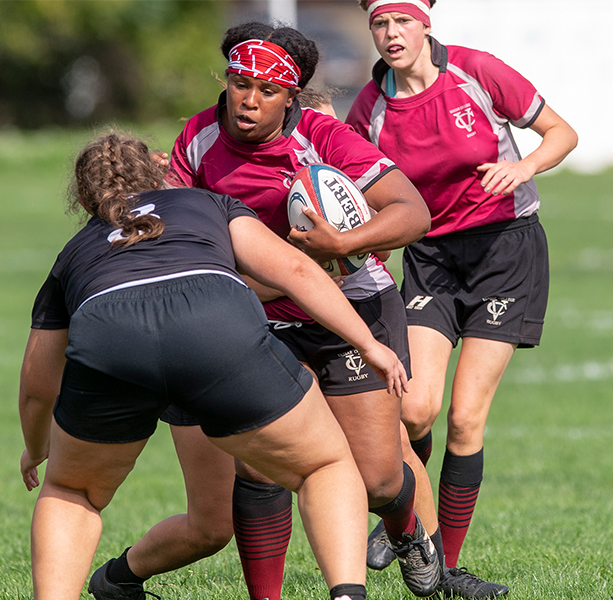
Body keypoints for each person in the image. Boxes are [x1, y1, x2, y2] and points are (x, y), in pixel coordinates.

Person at [89, 22, 443, 600]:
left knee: (378, 479)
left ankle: (406, 533)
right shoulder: (199, 138)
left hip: (348, 306)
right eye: (238, 82)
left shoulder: (325, 138)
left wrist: (343, 244)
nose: (248, 99)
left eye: (267, 90)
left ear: (292, 96)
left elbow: (412, 211)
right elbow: (177, 219)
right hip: (258, 313)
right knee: (260, 469)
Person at [18, 130, 414, 600]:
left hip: (111, 335)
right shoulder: (208, 203)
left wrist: (36, 447)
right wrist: (368, 343)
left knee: (73, 492)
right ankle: (347, 594)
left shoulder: (73, 255)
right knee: (324, 465)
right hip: (213, 327)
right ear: (160, 174)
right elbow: (296, 271)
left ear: (84, 200)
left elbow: (38, 383)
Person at [346, 1, 579, 598]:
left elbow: (562, 133)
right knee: (414, 409)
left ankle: (441, 571)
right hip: (432, 259)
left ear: (425, 22)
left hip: (506, 251)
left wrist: (521, 166)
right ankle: (406, 520)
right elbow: (354, 186)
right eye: (380, 23)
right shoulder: (369, 108)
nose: (391, 34)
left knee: (464, 418)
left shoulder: (477, 72)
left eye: (401, 20)